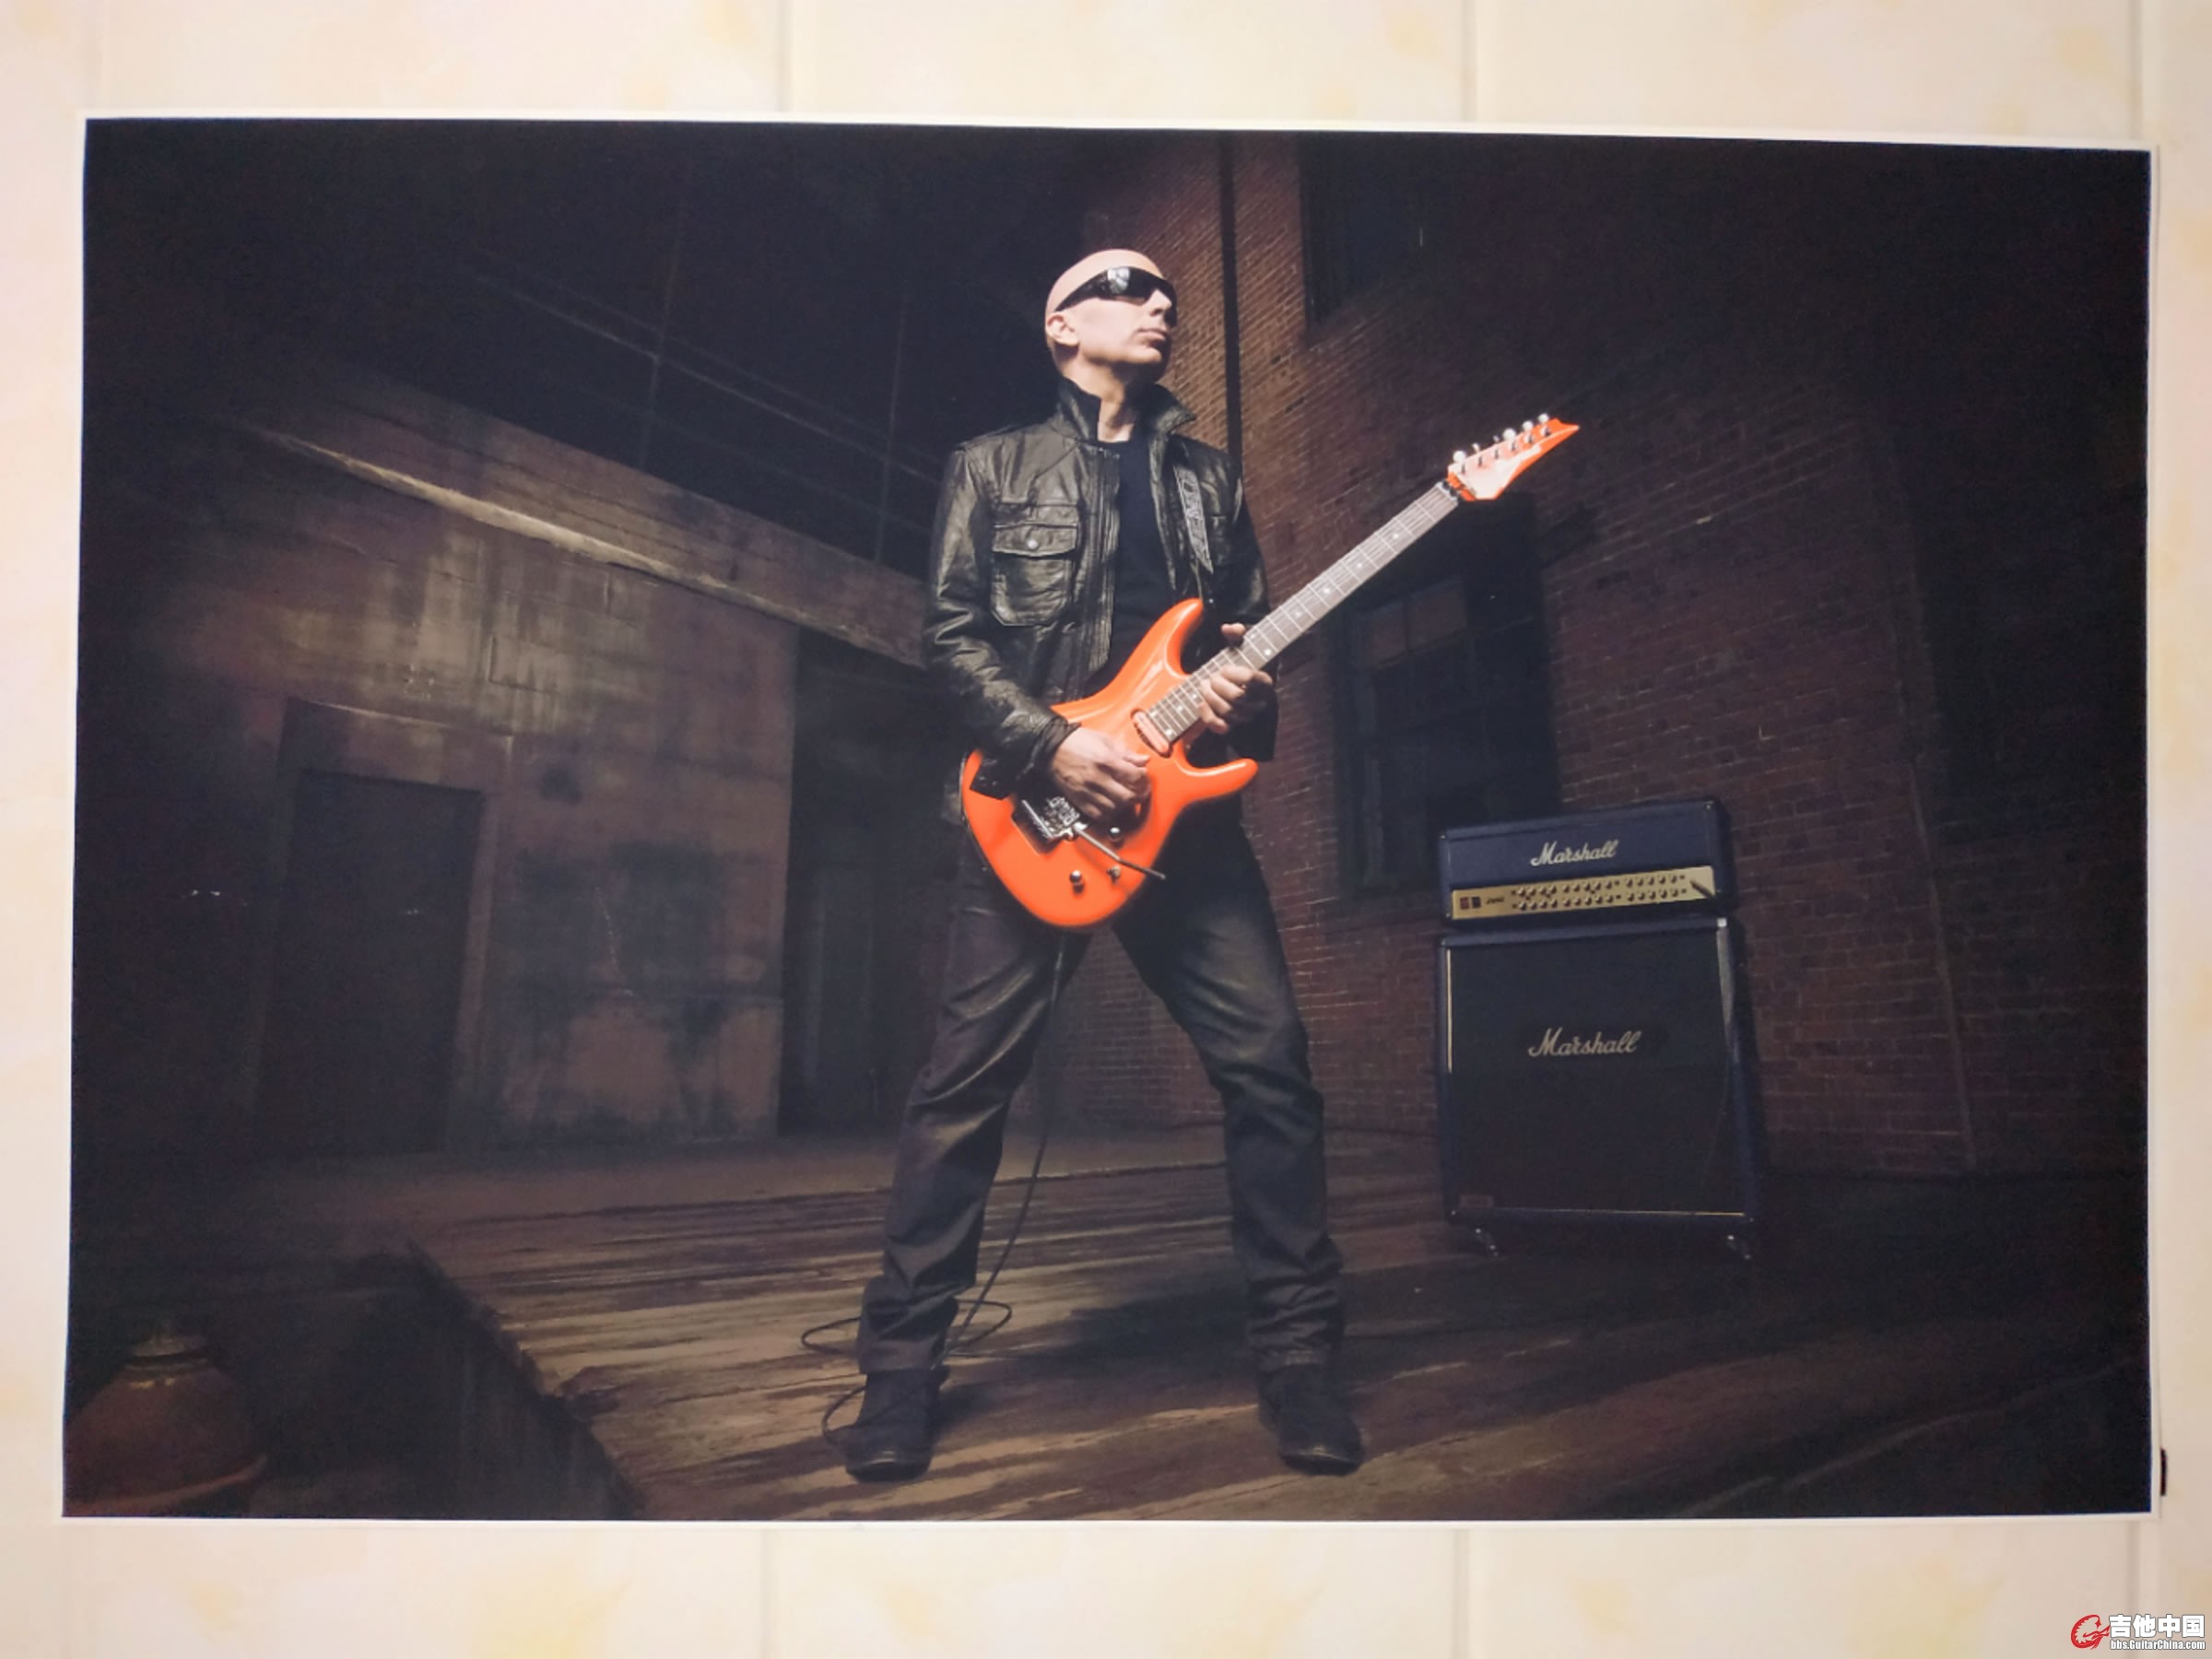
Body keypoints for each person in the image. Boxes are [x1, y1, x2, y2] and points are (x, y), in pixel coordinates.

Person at [841, 249, 1360, 1483]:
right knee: (963, 1090)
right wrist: (1054, 745)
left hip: (1185, 828)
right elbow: (951, 639)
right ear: (1062, 323)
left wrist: (1242, 698)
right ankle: (901, 1375)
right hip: (1037, 812)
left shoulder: (1211, 481)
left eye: (1169, 292)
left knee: (1274, 1073)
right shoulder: (992, 466)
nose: (1162, 301)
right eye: (1131, 287)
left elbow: (1243, 643)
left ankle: (1301, 1361)